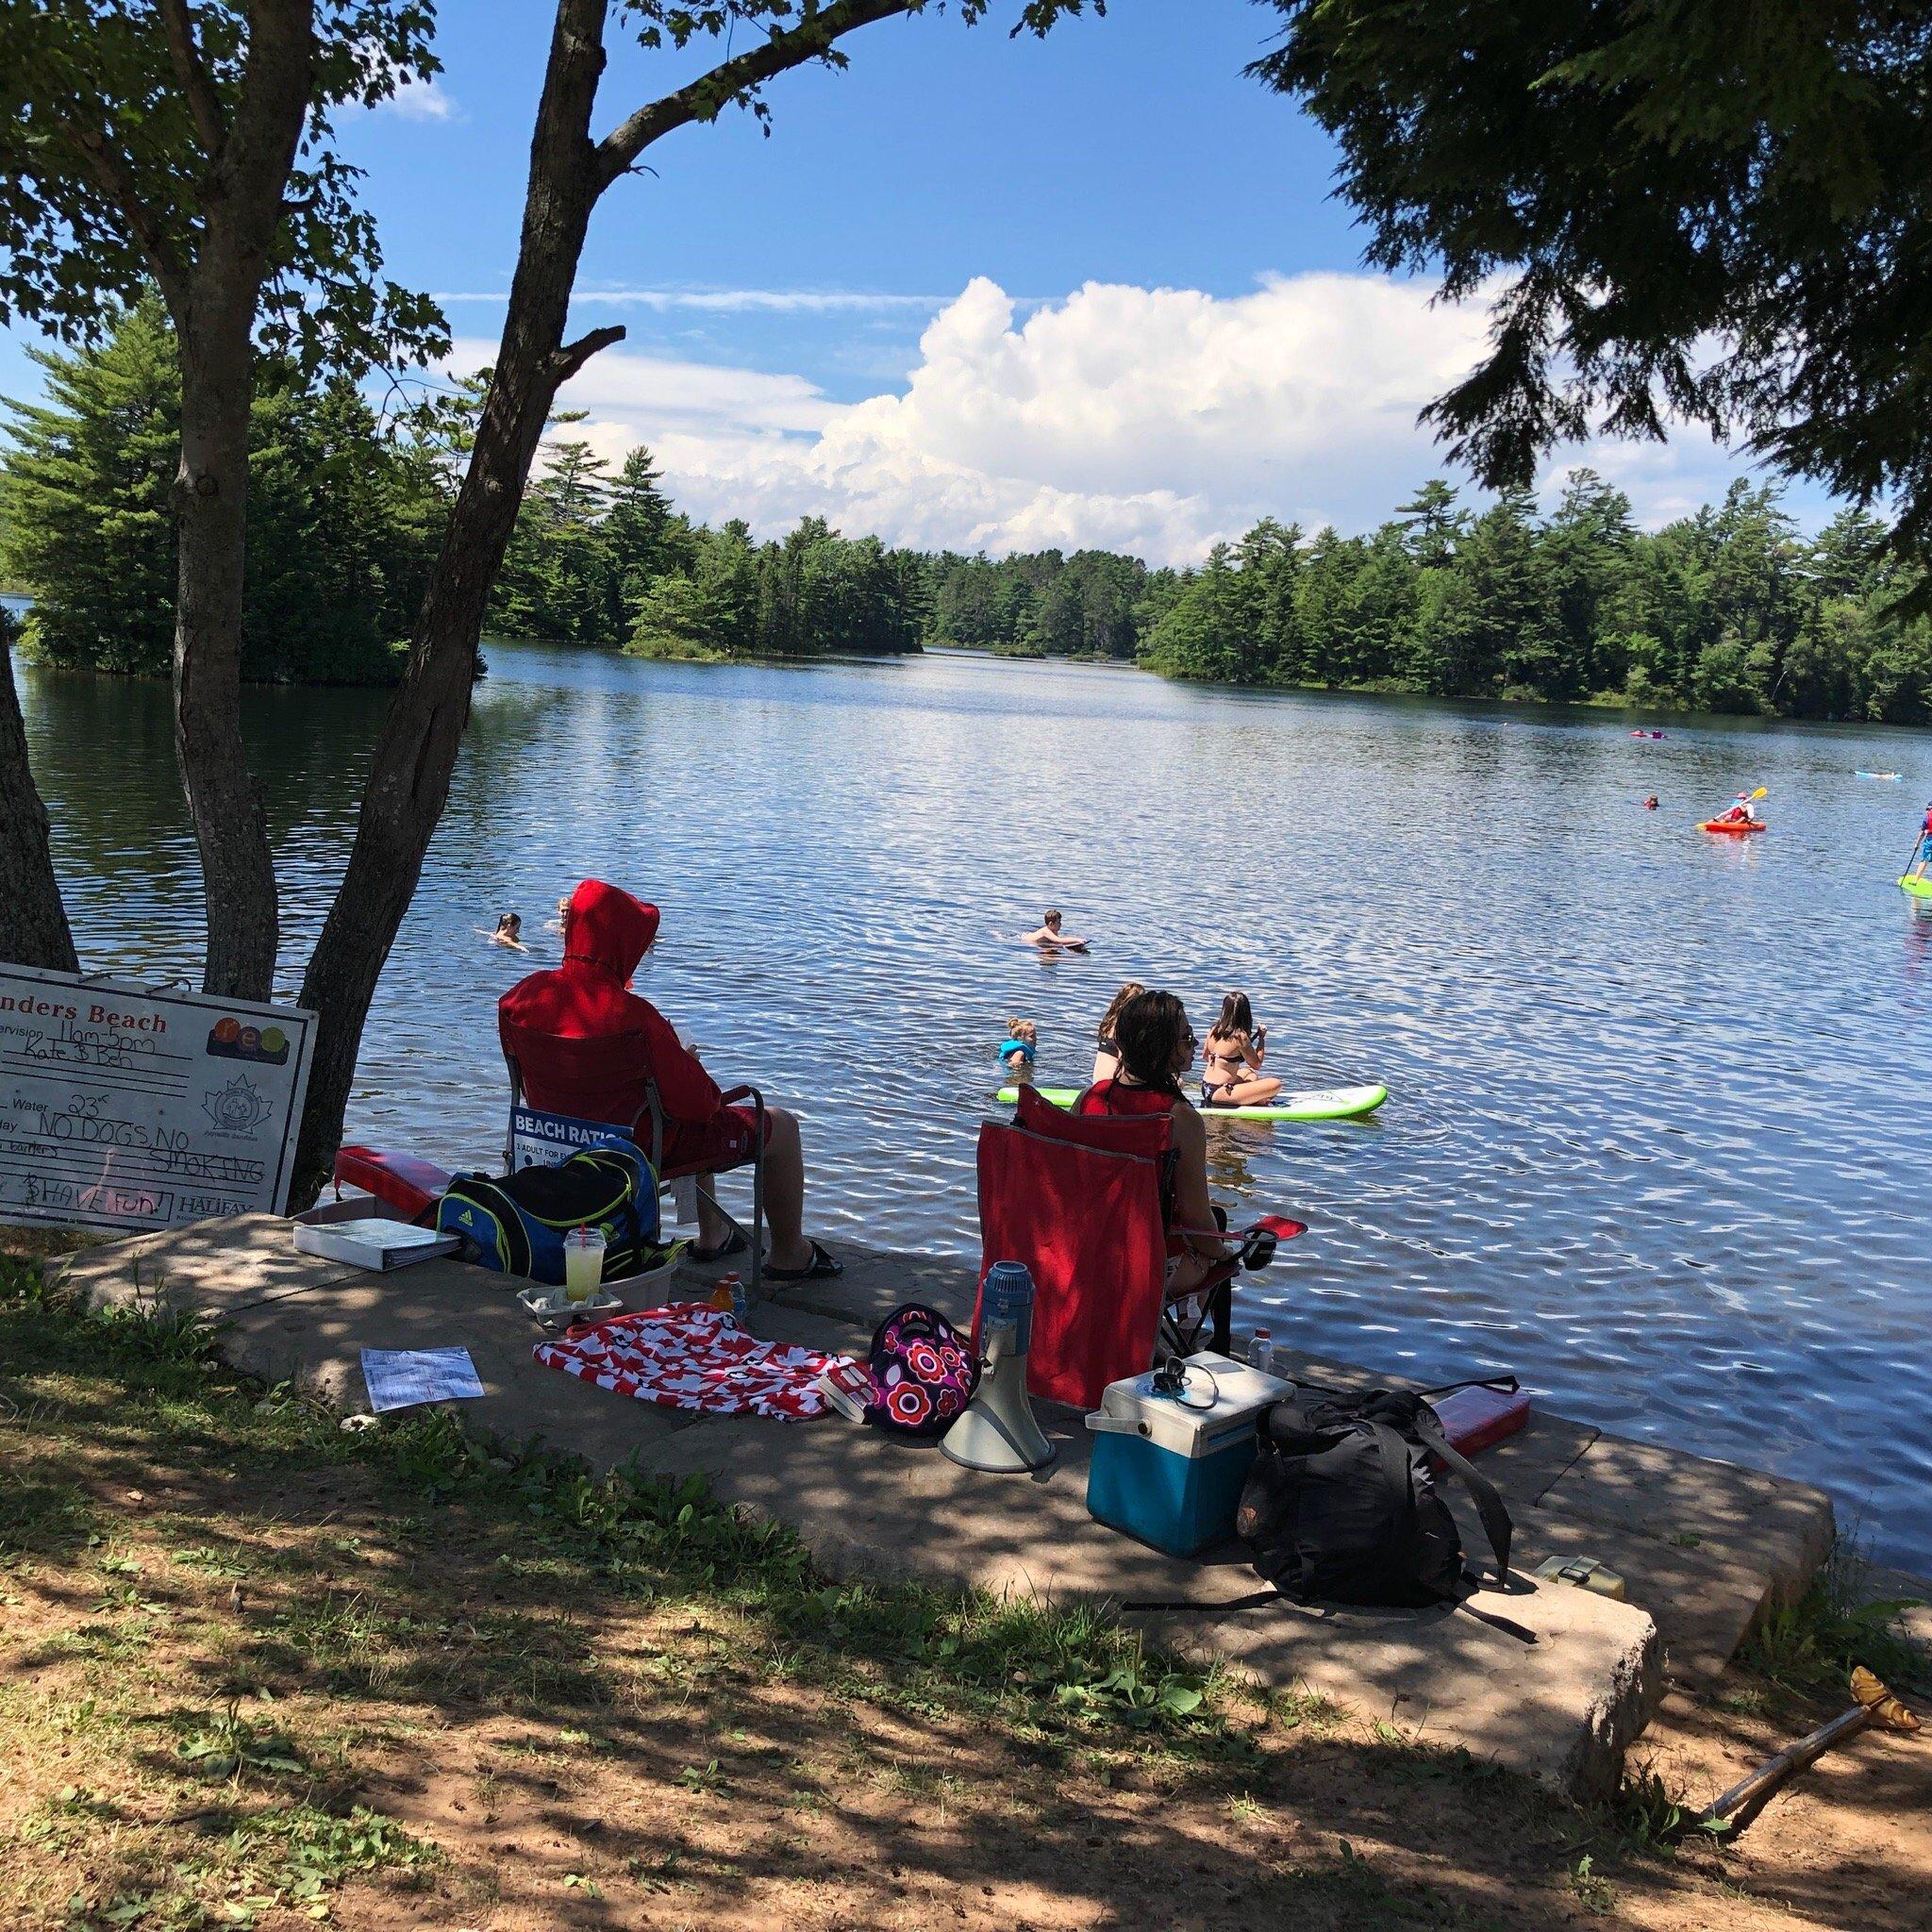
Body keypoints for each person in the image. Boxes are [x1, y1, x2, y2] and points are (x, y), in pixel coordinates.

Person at [498, 879, 840, 1279]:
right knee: (780, 1126)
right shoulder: (636, 1017)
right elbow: (700, 1106)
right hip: (636, 1152)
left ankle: (713, 1236)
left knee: (665, 1105)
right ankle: (789, 1255)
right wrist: (688, 1065)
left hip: (554, 1140)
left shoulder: (520, 997)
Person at [1071, 990, 1224, 1296]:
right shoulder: (1179, 1120)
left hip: (1082, 1252)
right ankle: (1205, 1339)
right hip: (1145, 1268)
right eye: (1186, 1038)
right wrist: (1226, 1253)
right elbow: (1196, 1217)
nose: (1195, 1045)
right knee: (1216, 1235)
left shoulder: (1089, 1099)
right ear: (1161, 1049)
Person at [1199, 991, 1282, 1109]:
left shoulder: (1214, 1029)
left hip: (1206, 1086)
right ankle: (1256, 1100)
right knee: (1276, 1084)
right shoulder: (1240, 1036)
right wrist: (1262, 1038)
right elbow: (1257, 1064)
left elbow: (1205, 1056)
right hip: (1221, 1092)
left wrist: (1224, 1063)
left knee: (1249, 1073)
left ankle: (1253, 1099)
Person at [1091, 980, 1145, 1084]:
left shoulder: (1108, 1024)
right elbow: (1125, 1064)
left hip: (1097, 1084)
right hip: (1110, 1088)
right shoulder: (1123, 1029)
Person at [1021, 908, 1090, 954]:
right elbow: (1059, 940)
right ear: (1051, 924)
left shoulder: (1054, 930)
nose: (1060, 924)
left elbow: (1058, 942)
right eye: (1058, 922)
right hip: (1025, 940)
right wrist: (1078, 940)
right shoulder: (1045, 931)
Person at [1000, 1018, 1039, 1083]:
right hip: (1015, 1079)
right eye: (1032, 1036)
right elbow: (1012, 1066)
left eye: (1035, 1035)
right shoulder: (1019, 1053)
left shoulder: (1024, 1051)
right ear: (1020, 1039)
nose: (1036, 1038)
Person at [1911, 800, 1932, 880]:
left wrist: (1917, 844)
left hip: (1930, 840)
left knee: (1924, 860)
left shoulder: (1928, 818)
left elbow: (1922, 832)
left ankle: (1915, 881)